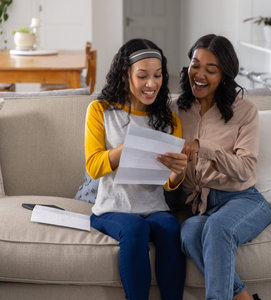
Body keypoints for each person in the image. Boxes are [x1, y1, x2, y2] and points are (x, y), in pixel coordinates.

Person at [85, 38, 186, 300]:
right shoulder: (100, 111)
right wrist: (128, 146)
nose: (151, 84)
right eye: (142, 76)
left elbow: (168, 183)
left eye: (157, 75)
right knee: (134, 229)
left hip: (154, 206)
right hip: (111, 208)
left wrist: (179, 170)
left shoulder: (169, 120)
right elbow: (94, 167)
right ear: (124, 76)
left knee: (169, 227)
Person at [174, 34, 271, 300]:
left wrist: (203, 146)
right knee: (189, 233)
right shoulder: (176, 109)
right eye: (196, 65)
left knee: (219, 228)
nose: (200, 74)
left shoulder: (245, 110)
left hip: (243, 199)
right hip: (201, 205)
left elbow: (244, 168)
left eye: (211, 69)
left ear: (225, 75)